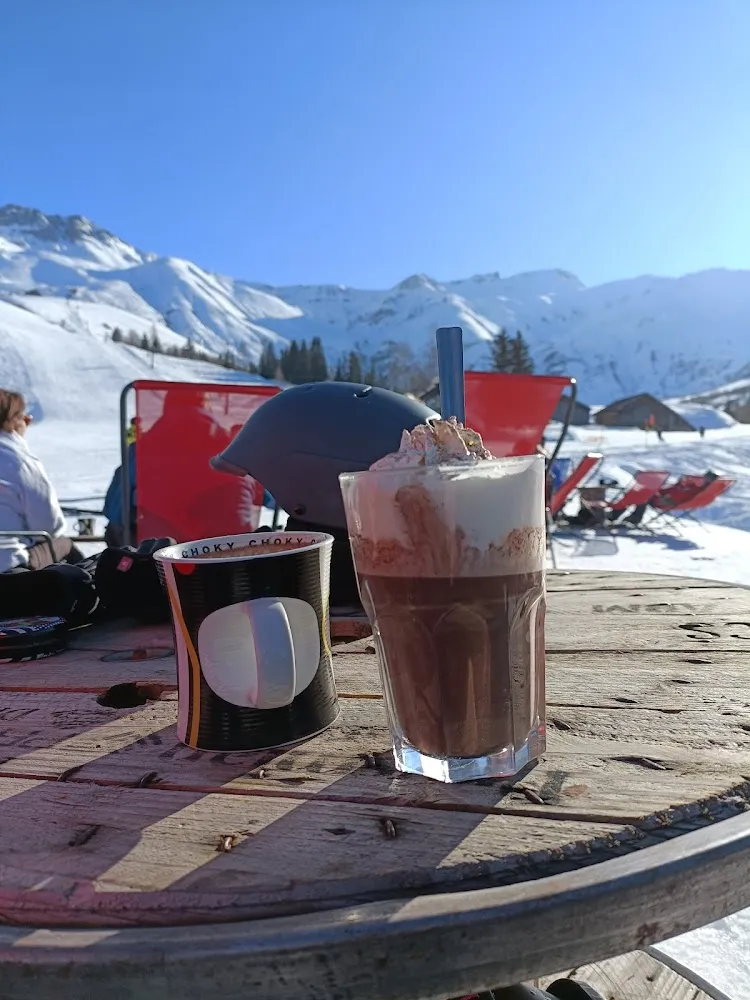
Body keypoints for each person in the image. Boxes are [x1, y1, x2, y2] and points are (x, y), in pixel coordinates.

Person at [0, 389, 84, 573]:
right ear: (13, 421)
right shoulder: (19, 461)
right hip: (8, 568)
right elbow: (50, 526)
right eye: (25, 419)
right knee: (64, 545)